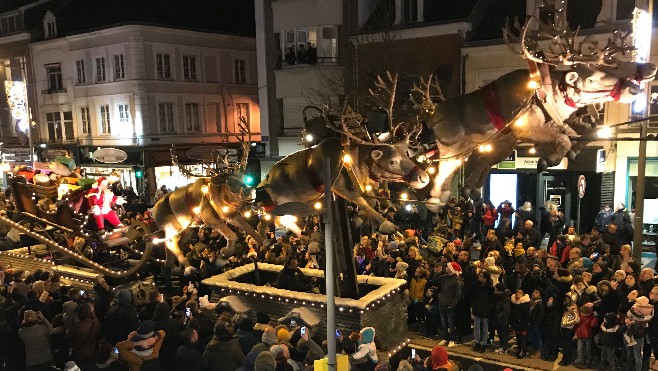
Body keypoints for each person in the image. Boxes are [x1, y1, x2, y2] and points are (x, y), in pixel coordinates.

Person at [437, 262, 462, 348]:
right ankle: (445, 337)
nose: (445, 269)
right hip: (442, 303)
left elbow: (458, 294)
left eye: (447, 267)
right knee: (444, 322)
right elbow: (435, 280)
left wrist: (452, 304)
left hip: (449, 304)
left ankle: (452, 339)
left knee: (451, 323)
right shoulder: (444, 278)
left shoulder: (456, 280)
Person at [471, 270, 494, 352]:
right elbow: (473, 296)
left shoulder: (490, 289)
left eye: (481, 276)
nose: (479, 277)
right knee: (477, 328)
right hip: (477, 309)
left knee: (484, 328)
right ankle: (477, 342)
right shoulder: (477, 286)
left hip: (485, 310)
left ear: (485, 279)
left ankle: (484, 343)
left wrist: (488, 309)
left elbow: (491, 301)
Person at [510, 289, 531, 358]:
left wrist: (524, 325)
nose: (517, 294)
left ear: (523, 295)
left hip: (523, 324)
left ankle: (523, 351)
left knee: (523, 338)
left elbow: (526, 315)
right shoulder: (515, 303)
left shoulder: (525, 303)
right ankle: (519, 349)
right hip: (517, 324)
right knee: (518, 337)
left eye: (520, 293)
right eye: (517, 292)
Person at [492, 283, 511, 354]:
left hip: (503, 320)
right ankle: (502, 346)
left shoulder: (506, 298)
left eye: (496, 290)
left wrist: (498, 316)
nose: (495, 292)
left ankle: (504, 348)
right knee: (500, 334)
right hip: (499, 319)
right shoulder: (500, 297)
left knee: (503, 334)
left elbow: (506, 311)